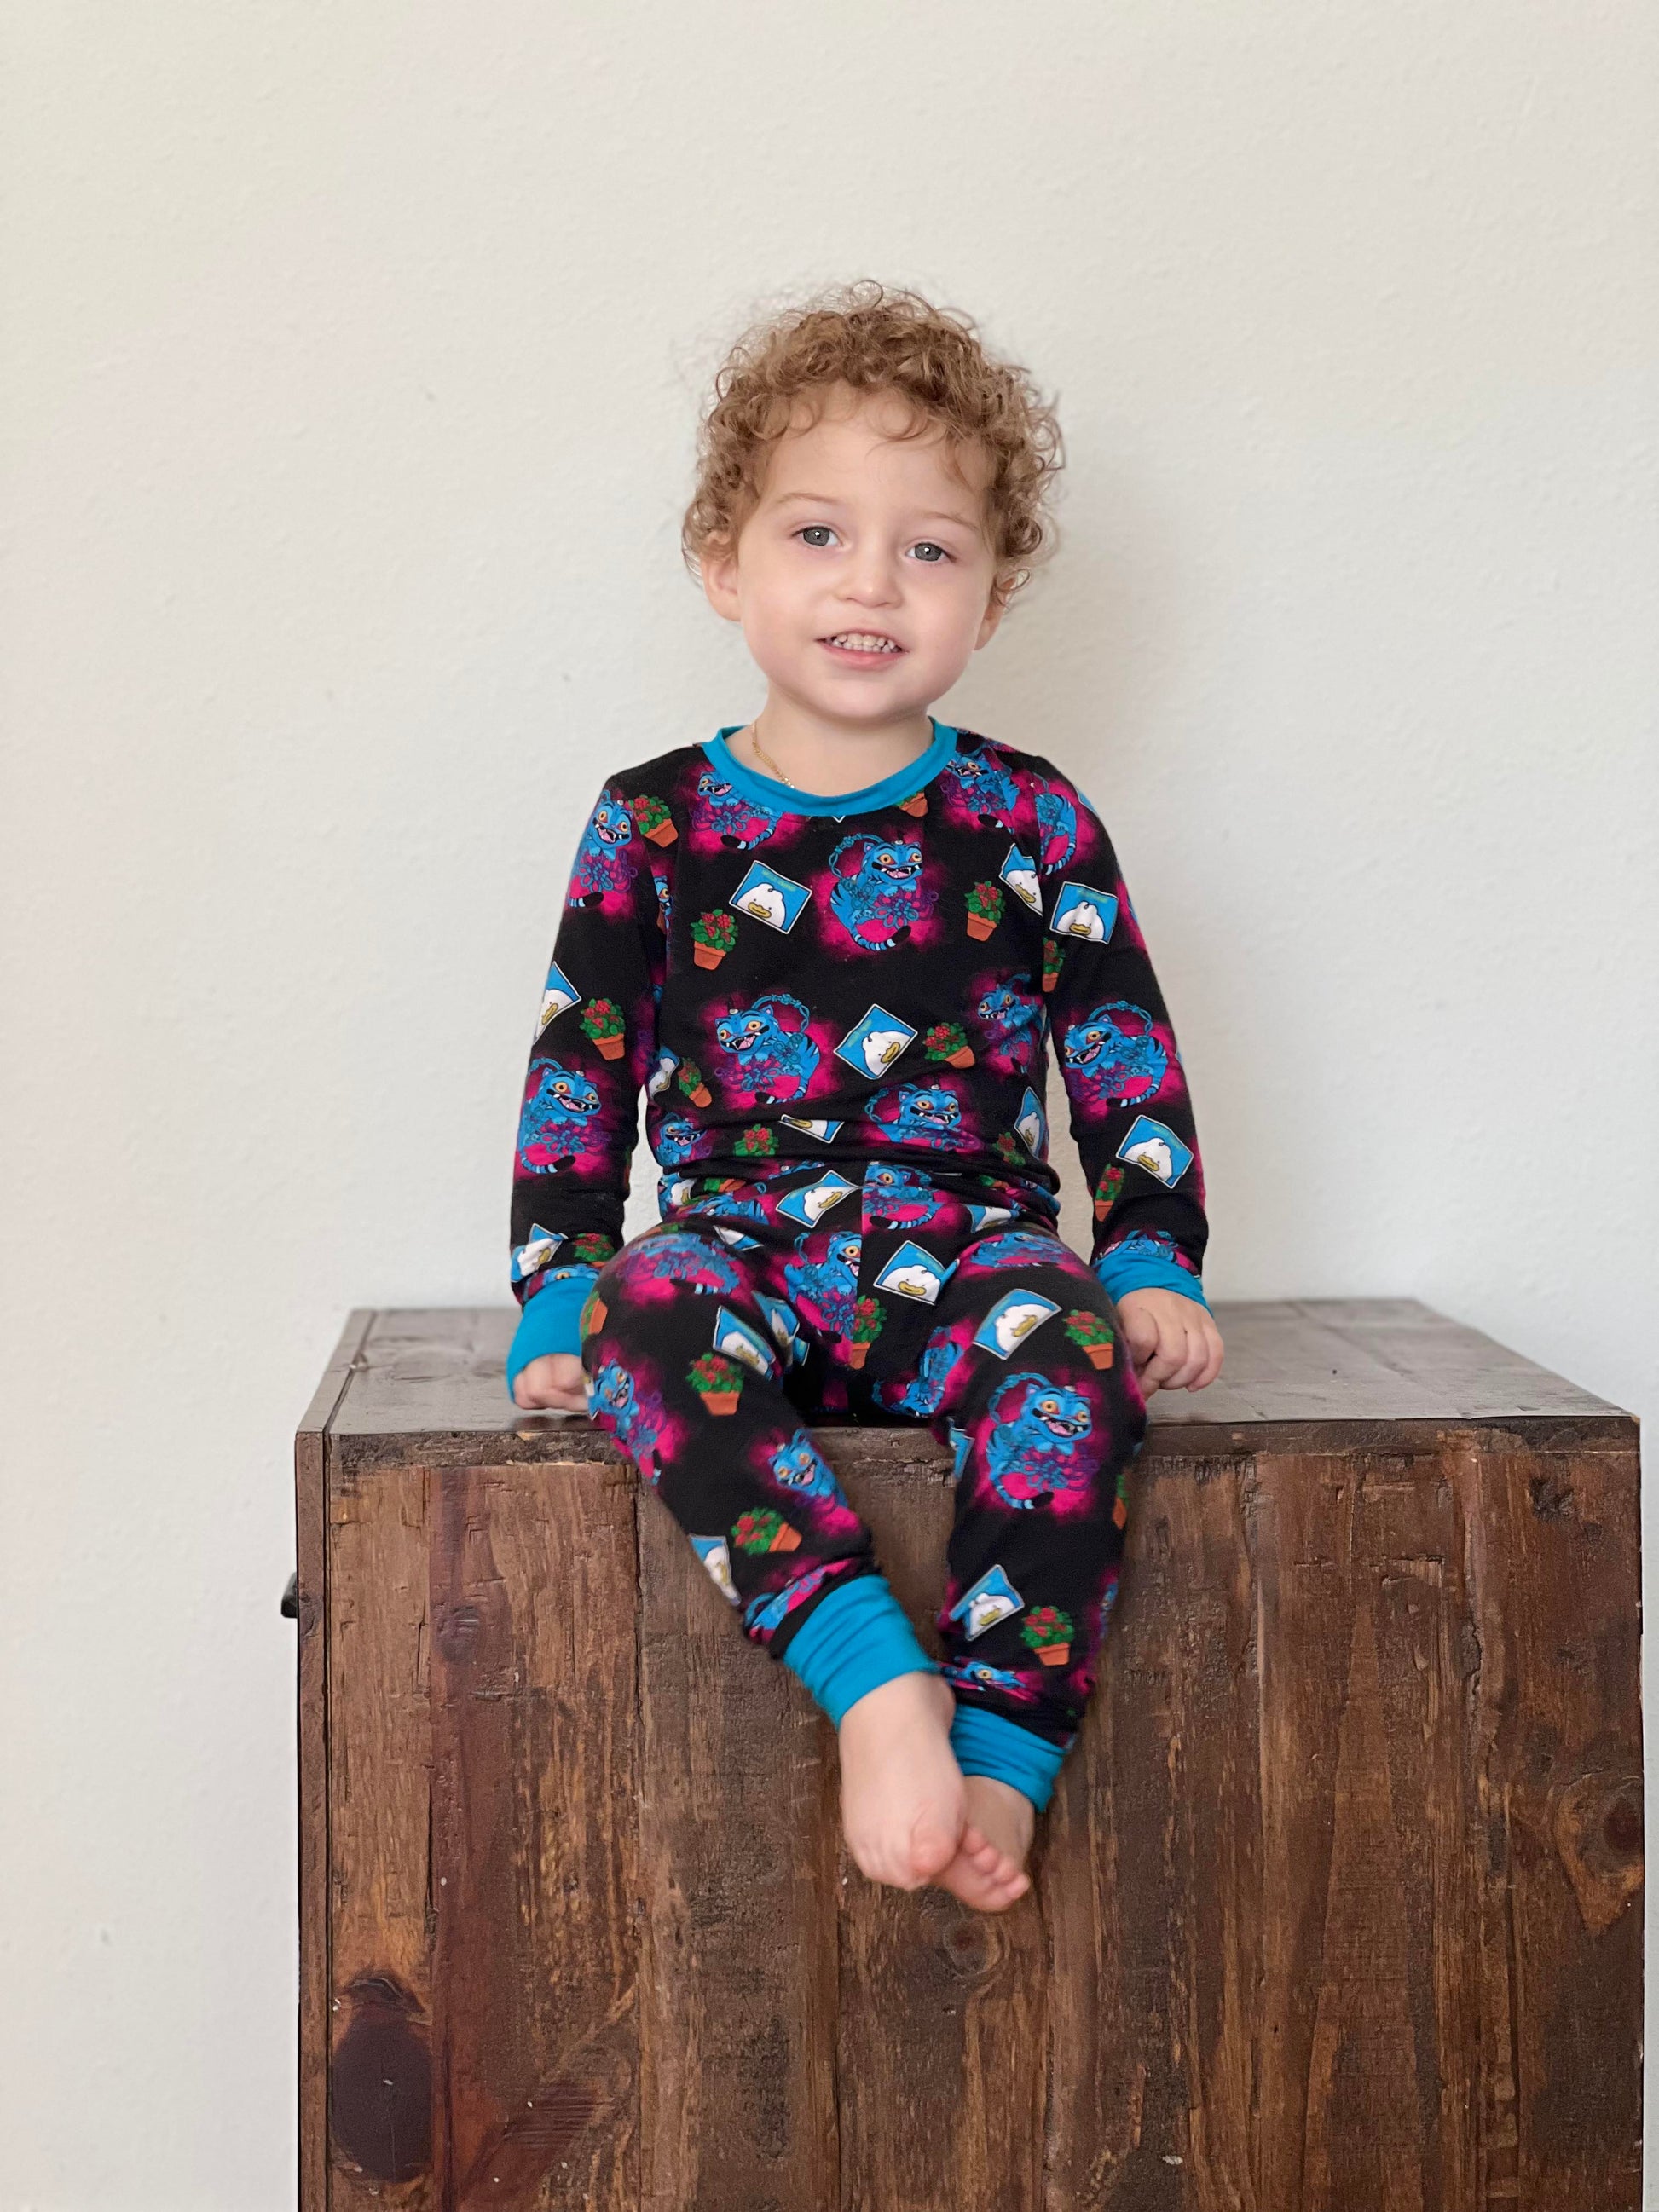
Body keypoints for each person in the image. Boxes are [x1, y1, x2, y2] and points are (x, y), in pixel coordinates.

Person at [506, 279, 1223, 1915]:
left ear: (992, 592)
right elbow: (581, 1061)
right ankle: (875, 1682)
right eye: (818, 533)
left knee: (1068, 1359)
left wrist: (1146, 1255)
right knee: (643, 1314)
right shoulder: (650, 822)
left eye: (930, 548)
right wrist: (560, 1282)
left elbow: (1120, 1047)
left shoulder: (1030, 818)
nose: (871, 582)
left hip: (970, 1246)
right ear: (724, 563)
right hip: (738, 1246)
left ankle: (1005, 1756)